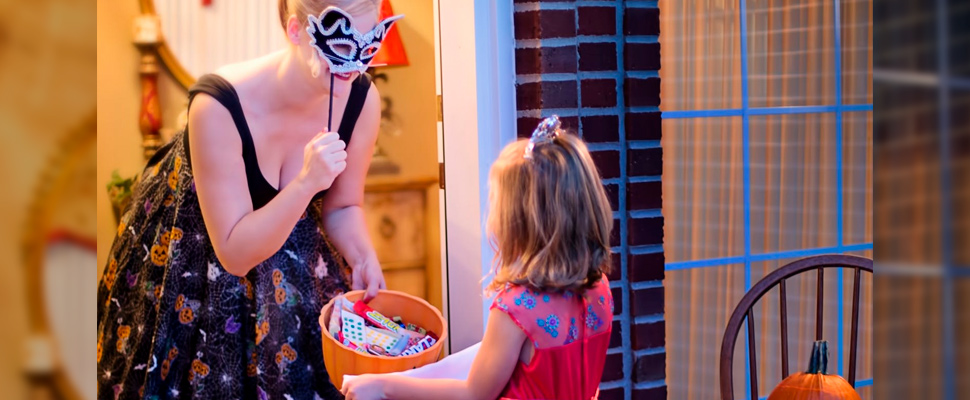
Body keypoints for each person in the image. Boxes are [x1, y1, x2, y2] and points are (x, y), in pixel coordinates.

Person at [96, 1, 394, 398]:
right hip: (196, 260)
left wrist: (362, 255)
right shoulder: (218, 106)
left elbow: (343, 206)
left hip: (291, 256)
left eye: (369, 44)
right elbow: (234, 253)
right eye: (341, 46)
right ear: (296, 31)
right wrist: (305, 183)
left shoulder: (362, 100)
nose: (354, 66)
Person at [341, 116, 616, 400]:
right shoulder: (600, 290)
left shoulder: (517, 308)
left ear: (517, 220)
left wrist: (383, 386)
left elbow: (473, 393)